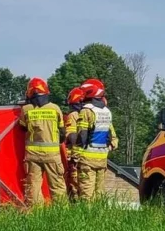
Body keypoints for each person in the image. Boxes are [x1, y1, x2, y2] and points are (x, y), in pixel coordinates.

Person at [17, 77, 66, 206]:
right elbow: (62, 133)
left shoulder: (26, 109)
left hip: (32, 155)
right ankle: (62, 213)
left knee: (33, 185)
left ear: (30, 93)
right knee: (57, 185)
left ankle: (35, 214)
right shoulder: (55, 108)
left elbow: (22, 128)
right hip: (52, 155)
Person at [73, 78, 118, 201]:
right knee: (99, 192)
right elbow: (111, 136)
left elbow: (82, 135)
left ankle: (86, 217)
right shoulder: (107, 112)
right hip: (102, 158)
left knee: (86, 193)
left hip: (88, 159)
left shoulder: (86, 111)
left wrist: (76, 154)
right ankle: (98, 216)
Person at [64, 87, 86, 201]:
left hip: (75, 157)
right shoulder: (90, 114)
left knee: (74, 183)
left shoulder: (73, 115)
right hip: (88, 156)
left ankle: (75, 205)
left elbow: (71, 136)